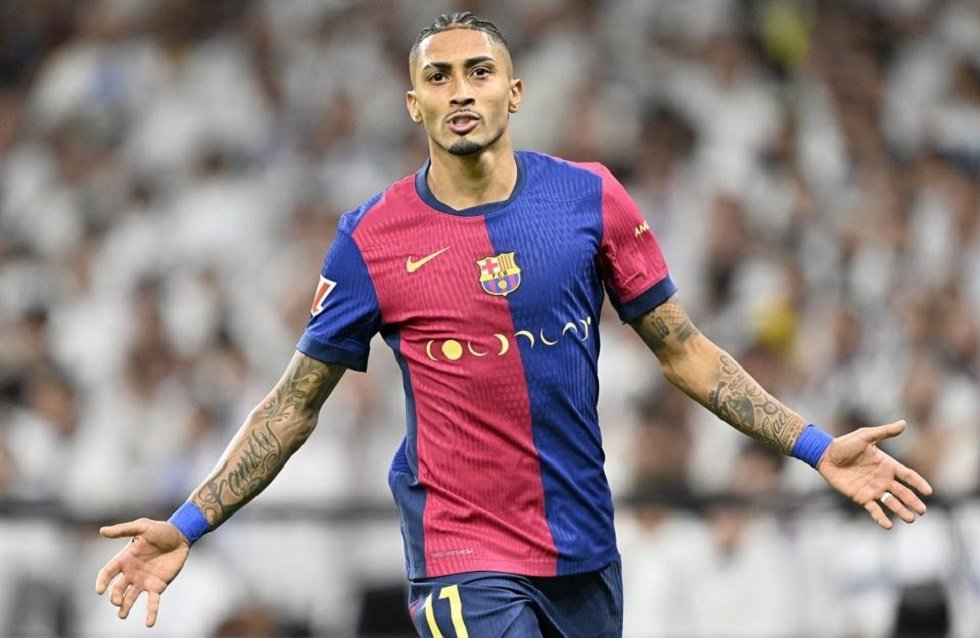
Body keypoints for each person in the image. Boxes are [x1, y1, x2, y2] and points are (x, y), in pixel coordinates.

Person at [95, 12, 933, 637]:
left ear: (515, 91)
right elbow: (293, 405)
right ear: (414, 104)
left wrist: (815, 447)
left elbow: (685, 351)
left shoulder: (590, 198)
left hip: (583, 546)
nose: (461, 90)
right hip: (461, 554)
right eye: (439, 78)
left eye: (479, 71)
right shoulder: (372, 238)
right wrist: (189, 522)